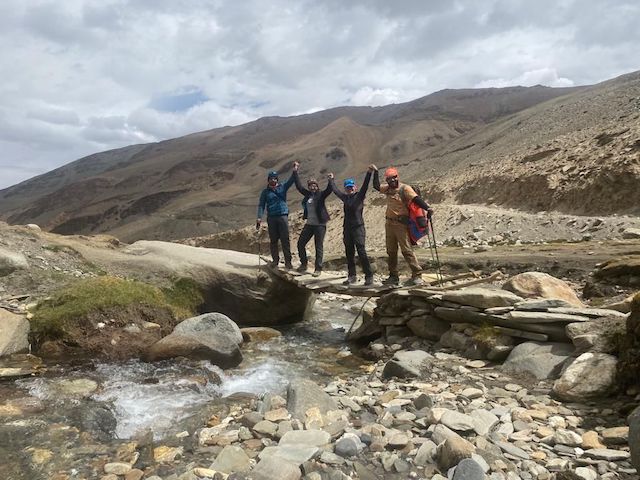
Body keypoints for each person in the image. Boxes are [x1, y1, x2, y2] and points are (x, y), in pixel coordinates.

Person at [373, 166, 433, 286]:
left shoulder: (405, 189)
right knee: (391, 251)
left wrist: (427, 208)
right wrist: (375, 172)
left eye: (394, 178)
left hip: (400, 224)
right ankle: (393, 276)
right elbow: (376, 186)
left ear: (397, 177)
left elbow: (416, 199)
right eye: (389, 179)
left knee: (406, 250)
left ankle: (417, 274)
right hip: (389, 223)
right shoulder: (388, 189)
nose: (392, 181)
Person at [329, 166, 375, 286]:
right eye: (347, 188)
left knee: (361, 251)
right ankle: (352, 276)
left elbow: (365, 185)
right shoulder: (345, 198)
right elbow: (335, 190)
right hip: (347, 229)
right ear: (345, 188)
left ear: (355, 187)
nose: (349, 189)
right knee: (349, 253)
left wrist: (369, 173)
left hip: (358, 227)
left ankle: (369, 276)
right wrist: (331, 180)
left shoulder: (359, 196)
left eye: (351, 187)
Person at [256, 161, 299, 269]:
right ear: (268, 180)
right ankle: (275, 260)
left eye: (275, 178)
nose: (273, 180)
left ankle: (288, 262)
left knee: (285, 239)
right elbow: (261, 205)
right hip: (271, 217)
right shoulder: (265, 192)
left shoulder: (282, 187)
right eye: (271, 178)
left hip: (282, 215)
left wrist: (295, 170)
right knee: (274, 240)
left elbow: (291, 181)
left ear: (277, 179)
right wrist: (259, 217)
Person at [293, 169, 332, 276]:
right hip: (309, 224)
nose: (312, 187)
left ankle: (318, 269)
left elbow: (329, 190)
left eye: (314, 185)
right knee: (301, 243)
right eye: (310, 185)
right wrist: (295, 172)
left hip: (320, 225)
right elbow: (299, 186)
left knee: (318, 246)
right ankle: (304, 264)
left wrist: (330, 180)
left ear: (317, 186)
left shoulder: (321, 194)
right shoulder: (307, 195)